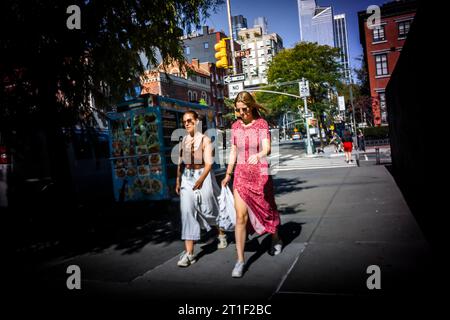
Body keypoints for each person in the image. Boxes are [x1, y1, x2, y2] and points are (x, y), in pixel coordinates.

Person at [221, 91, 282, 278]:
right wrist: (228, 174)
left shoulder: (261, 124)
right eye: (238, 110)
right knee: (240, 217)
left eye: (244, 109)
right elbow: (233, 152)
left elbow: (267, 148)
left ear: (251, 106)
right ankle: (240, 261)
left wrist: (259, 155)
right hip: (240, 175)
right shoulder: (235, 126)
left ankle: (275, 237)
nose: (241, 113)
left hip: (260, 173)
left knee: (267, 207)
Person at [175, 111, 227, 267]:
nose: (187, 123)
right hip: (187, 177)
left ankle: (221, 233)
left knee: (208, 208)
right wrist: (178, 180)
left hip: (203, 175)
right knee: (187, 212)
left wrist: (201, 179)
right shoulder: (183, 140)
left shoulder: (205, 140)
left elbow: (209, 164)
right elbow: (179, 163)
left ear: (197, 122)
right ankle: (190, 254)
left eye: (190, 120)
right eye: (184, 121)